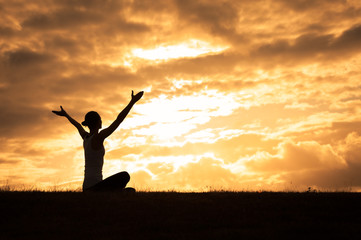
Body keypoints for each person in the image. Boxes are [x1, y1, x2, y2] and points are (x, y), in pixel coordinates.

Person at [52, 90, 144, 192]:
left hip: (86, 188)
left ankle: (114, 193)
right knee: (125, 176)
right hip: (95, 188)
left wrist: (66, 115)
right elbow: (118, 120)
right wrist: (132, 102)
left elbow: (77, 125)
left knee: (130, 190)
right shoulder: (98, 137)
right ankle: (113, 193)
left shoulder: (86, 138)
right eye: (100, 119)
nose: (101, 121)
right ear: (97, 122)